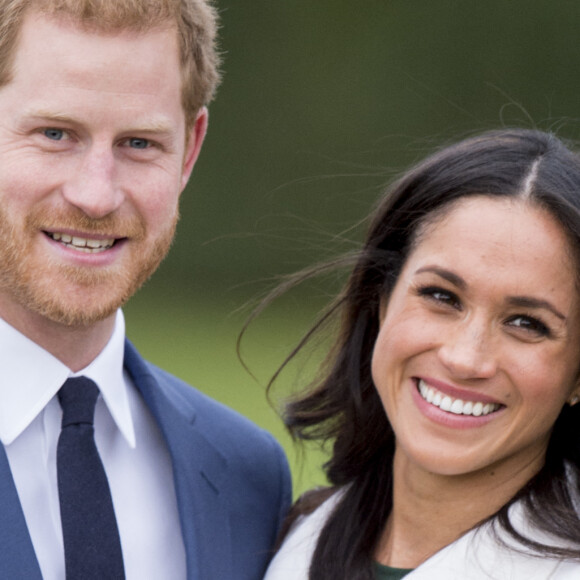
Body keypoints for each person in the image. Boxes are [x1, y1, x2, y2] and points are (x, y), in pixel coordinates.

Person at [0, 1, 291, 579]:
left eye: (139, 144)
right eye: (55, 133)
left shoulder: (247, 477)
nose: (96, 195)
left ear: (190, 151)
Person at [261, 128, 580, 579]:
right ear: (382, 299)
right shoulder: (285, 542)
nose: (465, 359)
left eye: (527, 323)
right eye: (441, 296)